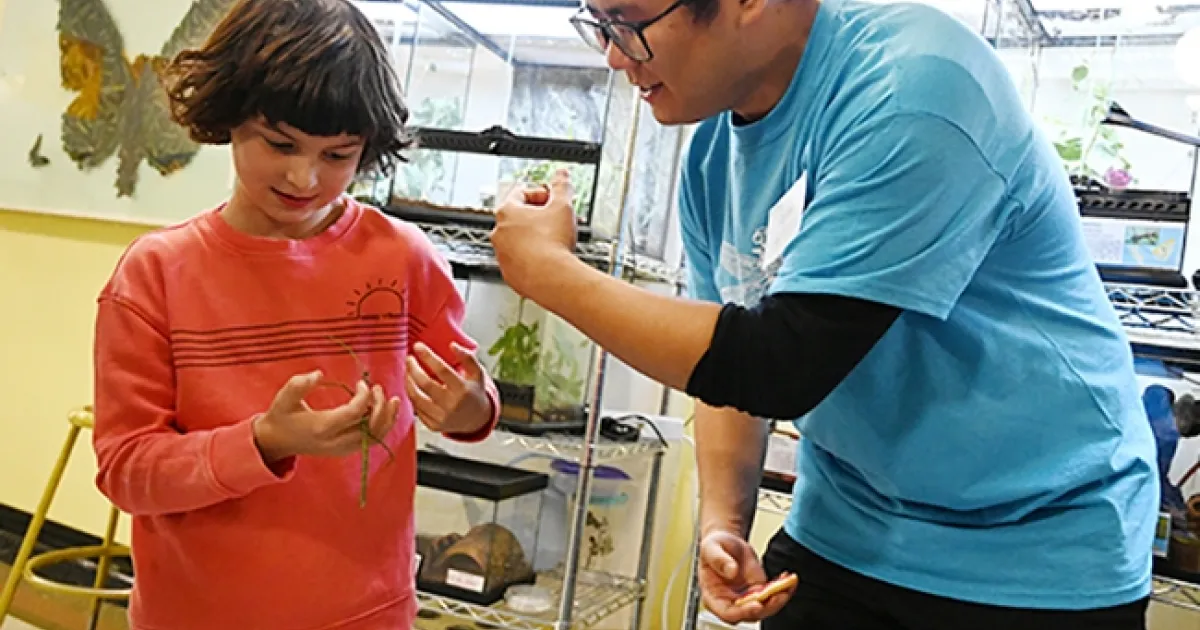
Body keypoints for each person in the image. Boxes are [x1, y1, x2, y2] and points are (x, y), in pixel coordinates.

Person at [490, 0, 1159, 628]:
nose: (614, 54)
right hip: (851, 525)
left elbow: (776, 361)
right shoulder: (712, 156)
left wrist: (547, 270)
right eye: (598, 23)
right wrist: (724, 521)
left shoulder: (916, 87)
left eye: (628, 23)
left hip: (1038, 547)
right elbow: (723, 367)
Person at [90, 1, 500, 628]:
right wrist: (263, 442)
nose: (304, 177)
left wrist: (468, 407)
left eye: (338, 156)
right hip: (196, 615)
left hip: (369, 613)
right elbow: (126, 472)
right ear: (229, 116)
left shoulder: (404, 258)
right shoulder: (155, 274)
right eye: (280, 144)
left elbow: (470, 396)